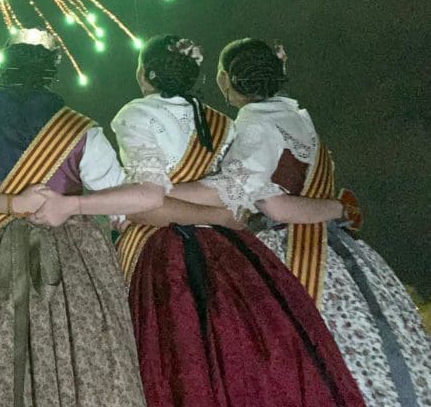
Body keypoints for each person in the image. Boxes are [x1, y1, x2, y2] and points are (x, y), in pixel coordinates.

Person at [98, 35, 366, 407]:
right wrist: (219, 216)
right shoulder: (223, 123)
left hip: (162, 249)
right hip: (226, 246)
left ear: (144, 74)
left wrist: (126, 204)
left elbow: (149, 198)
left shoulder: (135, 114)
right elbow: (232, 195)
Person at [173, 38, 431, 407]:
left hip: (294, 256)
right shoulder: (296, 116)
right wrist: (337, 209)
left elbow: (264, 202)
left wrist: (161, 192)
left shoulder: (254, 123)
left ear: (227, 80)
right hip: (339, 253)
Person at [0, 29, 148, 407]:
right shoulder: (80, 128)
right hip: (71, 256)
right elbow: (116, 201)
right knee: (80, 352)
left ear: (4, 66)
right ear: (51, 72)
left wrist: (10, 205)